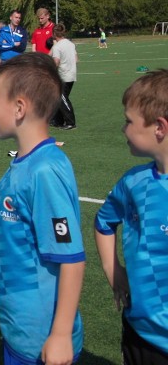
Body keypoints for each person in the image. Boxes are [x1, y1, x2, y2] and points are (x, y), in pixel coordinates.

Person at [0, 53, 85, 364]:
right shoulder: (25, 162)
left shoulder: (45, 171)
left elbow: (71, 259)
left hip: (42, 340)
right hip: (21, 329)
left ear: (19, 108)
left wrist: (59, 335)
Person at [94, 69, 168, 365]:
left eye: (129, 121)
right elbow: (103, 222)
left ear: (159, 128)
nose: (123, 129)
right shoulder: (133, 183)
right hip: (139, 333)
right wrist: (114, 272)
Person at [50, 24, 78, 130]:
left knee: (62, 98)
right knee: (59, 98)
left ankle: (71, 122)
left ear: (54, 34)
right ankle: (58, 121)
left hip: (63, 76)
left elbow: (56, 62)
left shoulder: (57, 47)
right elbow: (76, 59)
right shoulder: (71, 44)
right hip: (71, 74)